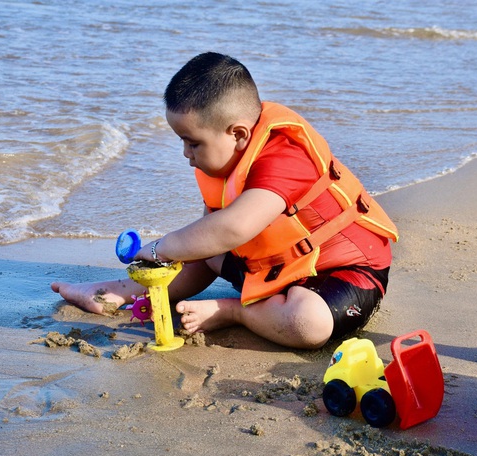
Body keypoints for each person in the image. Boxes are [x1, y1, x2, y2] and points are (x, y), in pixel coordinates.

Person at [51, 52, 398, 349]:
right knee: (199, 249)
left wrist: (161, 247)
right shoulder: (226, 157)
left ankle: (235, 312)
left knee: (309, 324)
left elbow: (233, 227)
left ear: (239, 134)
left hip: (344, 272)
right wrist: (176, 252)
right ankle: (124, 293)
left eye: (192, 142)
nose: (185, 153)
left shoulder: (286, 158)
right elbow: (210, 239)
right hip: (277, 267)